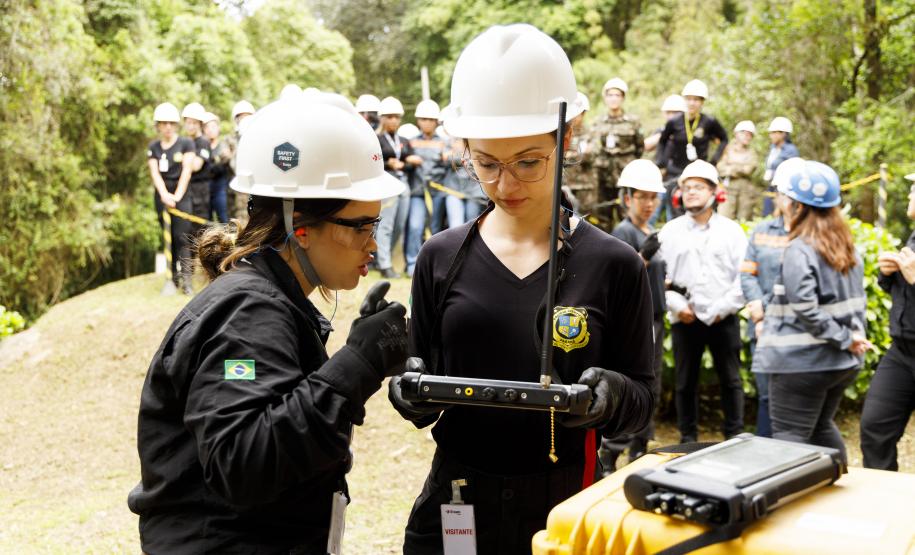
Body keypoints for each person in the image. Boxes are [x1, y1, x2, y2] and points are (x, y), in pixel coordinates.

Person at [389, 24, 655, 554]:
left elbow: (643, 399)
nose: (506, 185)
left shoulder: (615, 264)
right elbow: (420, 374)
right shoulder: (440, 257)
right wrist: (409, 392)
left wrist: (611, 398)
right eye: (486, 163)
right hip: (458, 498)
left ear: (569, 135)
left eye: (528, 162)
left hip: (565, 504)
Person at [127, 94, 409, 554]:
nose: (372, 246)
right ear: (301, 227)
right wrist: (357, 364)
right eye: (361, 227)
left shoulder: (268, 299)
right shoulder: (249, 312)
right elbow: (243, 465)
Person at [753, 160, 870, 463]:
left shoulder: (799, 249)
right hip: (841, 362)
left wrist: (844, 338)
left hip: (802, 364)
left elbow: (805, 307)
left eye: (787, 199)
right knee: (820, 427)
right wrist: (849, 340)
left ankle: (789, 505)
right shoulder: (848, 248)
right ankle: (838, 489)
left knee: (789, 438)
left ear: (798, 207)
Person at [659, 160, 747, 443]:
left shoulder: (732, 232)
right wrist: (676, 305)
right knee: (685, 382)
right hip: (685, 317)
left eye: (699, 187)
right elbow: (660, 279)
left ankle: (735, 435)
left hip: (724, 317)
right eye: (687, 187)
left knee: (732, 380)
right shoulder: (669, 232)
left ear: (714, 192)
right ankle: (688, 438)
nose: (692, 192)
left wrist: (724, 307)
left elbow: (744, 277)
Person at [599, 159, 667, 473]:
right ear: (628, 199)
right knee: (632, 382)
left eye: (654, 197)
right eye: (642, 197)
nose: (649, 203)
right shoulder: (623, 232)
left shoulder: (650, 231)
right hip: (636, 323)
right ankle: (612, 454)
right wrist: (644, 257)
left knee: (651, 384)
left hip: (656, 317)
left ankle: (640, 446)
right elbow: (620, 280)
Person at [739, 158, 802, 437]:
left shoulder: (812, 234)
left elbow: (792, 284)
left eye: (789, 193)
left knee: (798, 401)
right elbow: (747, 274)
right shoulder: (761, 232)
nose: (783, 198)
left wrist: (766, 312)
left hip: (797, 332)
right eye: (780, 192)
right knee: (766, 396)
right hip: (762, 330)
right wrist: (758, 314)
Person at [861, 172, 915, 470]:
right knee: (874, 429)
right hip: (903, 352)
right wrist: (888, 273)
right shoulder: (914, 234)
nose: (909, 194)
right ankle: (883, 502)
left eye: (914, 189)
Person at [656, 80, 728, 222]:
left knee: (704, 209)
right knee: (676, 211)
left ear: (702, 102)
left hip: (700, 172)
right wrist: (662, 162)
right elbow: (662, 140)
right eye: (689, 99)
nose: (692, 103)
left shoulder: (709, 122)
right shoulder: (674, 122)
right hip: (676, 172)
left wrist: (714, 161)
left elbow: (724, 139)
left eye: (696, 100)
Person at [147, 102, 196, 292]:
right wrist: (165, 196)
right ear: (158, 125)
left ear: (176, 125)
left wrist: (176, 196)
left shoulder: (186, 143)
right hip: (162, 197)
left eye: (171, 123)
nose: (167, 127)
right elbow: (155, 173)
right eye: (163, 123)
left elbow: (187, 171)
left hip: (181, 197)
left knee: (183, 238)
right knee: (169, 238)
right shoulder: (153, 147)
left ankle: (187, 282)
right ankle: (172, 280)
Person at [587, 77, 644, 231]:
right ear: (605, 98)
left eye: (617, 95)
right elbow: (593, 148)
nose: (613, 99)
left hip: (625, 177)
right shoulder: (598, 122)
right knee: (603, 217)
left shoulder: (633, 122)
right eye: (610, 95)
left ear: (623, 98)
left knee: (627, 215)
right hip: (603, 178)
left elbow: (640, 148)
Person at [376, 96, 422, 279]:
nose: (393, 120)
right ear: (382, 118)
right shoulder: (377, 139)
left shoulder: (403, 140)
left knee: (399, 224)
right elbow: (374, 162)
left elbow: (413, 162)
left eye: (396, 116)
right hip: (387, 183)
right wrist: (389, 163)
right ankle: (384, 264)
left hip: (404, 184)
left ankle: (382, 258)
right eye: (389, 116)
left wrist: (402, 163)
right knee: (385, 224)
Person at [405, 100, 452, 277]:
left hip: (438, 193)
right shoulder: (411, 142)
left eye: (431, 119)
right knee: (415, 226)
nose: (427, 122)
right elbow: (403, 161)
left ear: (436, 121)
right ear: (418, 121)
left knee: (436, 230)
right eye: (423, 119)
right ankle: (412, 264)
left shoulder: (444, 143)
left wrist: (446, 157)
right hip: (417, 192)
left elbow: (451, 164)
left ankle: (434, 266)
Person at [182, 102, 214, 291]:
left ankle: (204, 271)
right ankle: (188, 271)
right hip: (186, 190)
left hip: (201, 190)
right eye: (188, 122)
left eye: (195, 122)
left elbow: (195, 166)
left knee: (200, 230)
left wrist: (183, 160)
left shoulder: (202, 142)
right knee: (186, 231)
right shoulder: (185, 143)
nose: (191, 126)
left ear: (200, 124)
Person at [646, 94, 687, 226]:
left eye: (676, 113)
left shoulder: (687, 133)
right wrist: (664, 134)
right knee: (650, 215)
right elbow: (646, 146)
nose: (672, 116)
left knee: (674, 217)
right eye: (669, 113)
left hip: (676, 180)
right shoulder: (661, 131)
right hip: (658, 180)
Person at [564, 92, 599, 218]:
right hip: (566, 185)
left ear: (583, 113)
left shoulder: (591, 133)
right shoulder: (562, 133)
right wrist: (578, 154)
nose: (573, 117)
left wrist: (568, 155)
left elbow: (592, 154)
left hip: (586, 188)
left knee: (587, 221)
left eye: (577, 113)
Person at [717, 120, 760, 221]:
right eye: (744, 134)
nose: (747, 137)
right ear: (736, 134)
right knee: (724, 219)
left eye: (750, 135)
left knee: (743, 220)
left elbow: (748, 170)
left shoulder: (752, 153)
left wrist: (731, 166)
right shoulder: (727, 149)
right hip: (727, 190)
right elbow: (720, 167)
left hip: (745, 192)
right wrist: (739, 168)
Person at [762, 116, 800, 216]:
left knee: (780, 214)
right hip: (771, 186)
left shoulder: (791, 151)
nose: (771, 136)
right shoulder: (773, 149)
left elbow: (792, 171)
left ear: (783, 134)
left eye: (774, 133)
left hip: (783, 189)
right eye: (771, 133)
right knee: (767, 213)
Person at [203, 112, 231, 224]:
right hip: (204, 190)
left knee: (224, 221)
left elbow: (223, 164)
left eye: (213, 126)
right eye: (207, 127)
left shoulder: (224, 145)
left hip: (221, 189)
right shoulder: (202, 146)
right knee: (205, 223)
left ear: (218, 128)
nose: (210, 130)